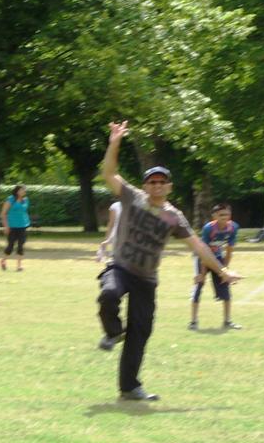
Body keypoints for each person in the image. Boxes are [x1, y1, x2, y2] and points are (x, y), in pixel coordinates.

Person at [96, 121, 242, 402]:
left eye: (162, 182)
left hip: (146, 279)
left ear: (169, 187)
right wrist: (114, 141)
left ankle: (129, 388)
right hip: (121, 267)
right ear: (145, 185)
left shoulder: (174, 217)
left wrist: (221, 269)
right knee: (108, 294)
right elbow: (109, 172)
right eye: (152, 181)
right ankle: (114, 332)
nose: (157, 186)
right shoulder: (132, 197)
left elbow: (197, 244)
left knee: (141, 331)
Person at [190, 203, 241, 331]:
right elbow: (203, 251)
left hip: (218, 258)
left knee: (225, 288)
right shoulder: (209, 228)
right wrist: (202, 273)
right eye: (221, 214)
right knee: (198, 287)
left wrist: (225, 271)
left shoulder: (233, 228)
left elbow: (229, 251)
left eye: (227, 214)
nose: (225, 217)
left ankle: (227, 321)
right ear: (214, 216)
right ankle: (193, 321)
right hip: (202, 257)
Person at [0, 185, 30, 271]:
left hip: (23, 226)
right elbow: (3, 213)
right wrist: (6, 226)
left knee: (21, 245)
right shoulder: (11, 199)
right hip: (12, 226)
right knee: (10, 246)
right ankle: (3, 261)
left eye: (24, 190)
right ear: (17, 191)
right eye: (22, 190)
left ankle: (19, 266)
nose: (24, 192)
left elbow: (24, 212)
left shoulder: (25, 200)